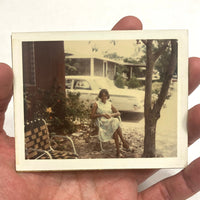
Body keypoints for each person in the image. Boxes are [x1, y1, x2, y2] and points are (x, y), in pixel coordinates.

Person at [1, 16, 200, 199]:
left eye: (106, 94)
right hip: (100, 123)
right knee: (114, 123)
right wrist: (104, 115)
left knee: (116, 121)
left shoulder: (109, 101)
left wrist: (114, 112)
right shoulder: (97, 103)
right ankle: (122, 146)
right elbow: (93, 115)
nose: (105, 96)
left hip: (109, 123)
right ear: (100, 95)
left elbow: (115, 112)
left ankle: (120, 147)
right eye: (103, 94)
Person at [91, 89, 129, 158]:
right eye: (102, 96)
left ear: (107, 96)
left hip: (110, 121)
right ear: (100, 96)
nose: (104, 97)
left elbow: (118, 113)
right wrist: (102, 114)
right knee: (115, 124)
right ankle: (123, 142)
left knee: (114, 124)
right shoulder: (97, 104)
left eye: (105, 96)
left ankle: (118, 151)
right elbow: (92, 116)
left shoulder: (109, 103)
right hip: (102, 122)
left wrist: (111, 115)